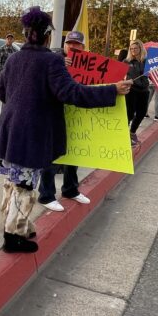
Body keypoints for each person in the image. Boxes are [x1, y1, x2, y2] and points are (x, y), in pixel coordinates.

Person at [0, 8, 131, 253]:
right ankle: (12, 236)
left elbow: (2, 92)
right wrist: (112, 90)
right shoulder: (51, 61)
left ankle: (14, 222)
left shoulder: (14, 59)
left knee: (13, 180)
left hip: (10, 131)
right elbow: (72, 93)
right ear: (47, 36)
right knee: (25, 185)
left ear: (26, 34)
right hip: (31, 135)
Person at [37, 30, 93, 211]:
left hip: (76, 116)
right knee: (52, 157)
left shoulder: (89, 63)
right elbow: (41, 82)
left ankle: (71, 189)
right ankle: (46, 195)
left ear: (83, 47)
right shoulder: (53, 60)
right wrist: (61, 66)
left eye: (77, 44)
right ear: (64, 45)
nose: (73, 47)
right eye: (70, 43)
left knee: (74, 155)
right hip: (54, 116)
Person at [124, 39, 150, 146]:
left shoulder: (146, 61)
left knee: (142, 113)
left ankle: (132, 132)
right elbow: (118, 74)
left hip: (144, 90)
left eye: (135, 48)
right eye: (131, 49)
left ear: (140, 48)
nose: (133, 50)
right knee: (129, 114)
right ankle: (124, 136)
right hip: (132, 91)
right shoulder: (126, 62)